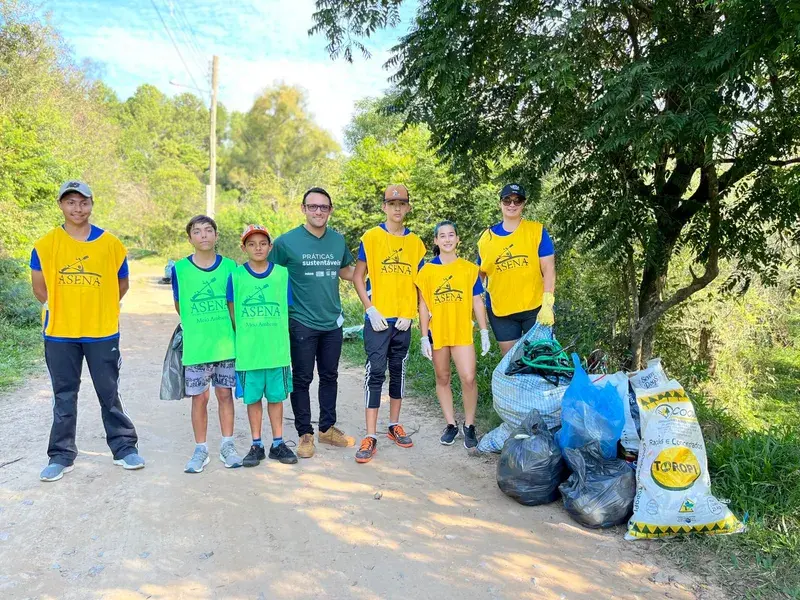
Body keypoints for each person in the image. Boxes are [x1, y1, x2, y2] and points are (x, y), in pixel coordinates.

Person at [31, 180, 144, 482]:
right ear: (61, 205)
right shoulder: (45, 245)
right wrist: (65, 308)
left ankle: (124, 448)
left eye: (83, 202)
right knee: (64, 395)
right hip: (60, 332)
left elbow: (122, 284)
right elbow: (39, 289)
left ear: (92, 204)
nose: (77, 208)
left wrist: (99, 307)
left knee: (109, 392)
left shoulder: (111, 244)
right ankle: (60, 455)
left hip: (102, 331)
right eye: (71, 202)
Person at [269, 187, 356, 459]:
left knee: (330, 376)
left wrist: (377, 274)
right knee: (302, 378)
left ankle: (327, 429)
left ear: (330, 210)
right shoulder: (286, 242)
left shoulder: (337, 240)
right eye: (313, 206)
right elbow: (269, 273)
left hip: (332, 320)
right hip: (301, 320)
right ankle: (305, 433)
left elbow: (346, 271)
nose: (318, 211)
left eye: (323, 207)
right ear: (303, 209)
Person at [352, 184, 427, 464]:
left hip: (403, 320)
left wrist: (412, 314)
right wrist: (369, 308)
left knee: (398, 371)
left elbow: (420, 285)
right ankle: (370, 435)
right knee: (375, 372)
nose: (397, 208)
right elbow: (358, 276)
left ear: (408, 207)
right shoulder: (371, 238)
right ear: (384, 206)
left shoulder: (416, 243)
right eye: (392, 203)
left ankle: (394, 424)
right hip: (379, 320)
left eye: (402, 203)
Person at [171, 215, 242, 473]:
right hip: (197, 346)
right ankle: (200, 449)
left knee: (225, 394)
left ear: (216, 235)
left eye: (208, 230)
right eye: (197, 231)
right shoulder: (180, 269)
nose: (203, 235)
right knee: (199, 398)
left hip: (225, 344)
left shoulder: (231, 267)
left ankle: (227, 445)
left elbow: (234, 305)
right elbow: (179, 304)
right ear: (190, 238)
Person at [415, 221, 491, 449]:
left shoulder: (469, 269)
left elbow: (477, 301)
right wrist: (423, 336)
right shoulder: (427, 271)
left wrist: (484, 331)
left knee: (468, 377)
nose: (447, 239)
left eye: (451, 235)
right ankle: (451, 424)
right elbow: (423, 305)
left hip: (462, 331)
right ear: (436, 241)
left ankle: (469, 425)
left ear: (458, 239)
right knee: (442, 377)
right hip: (438, 331)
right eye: (442, 236)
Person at [227, 225, 298, 466]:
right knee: (253, 399)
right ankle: (256, 444)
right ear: (244, 248)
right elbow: (233, 312)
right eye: (251, 244)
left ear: (270, 247)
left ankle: (278, 443)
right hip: (249, 353)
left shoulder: (281, 274)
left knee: (276, 398)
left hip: (276, 351)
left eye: (262, 243)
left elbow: (286, 307)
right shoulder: (236, 276)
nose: (257, 248)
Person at [477, 183, 556, 356]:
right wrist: (471, 306)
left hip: (535, 307)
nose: (512, 205)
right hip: (501, 311)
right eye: (507, 200)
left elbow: (549, 269)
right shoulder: (486, 238)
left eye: (517, 200)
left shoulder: (536, 231)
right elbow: (478, 276)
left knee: (542, 360)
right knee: (513, 362)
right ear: (500, 203)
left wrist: (548, 303)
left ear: (523, 204)